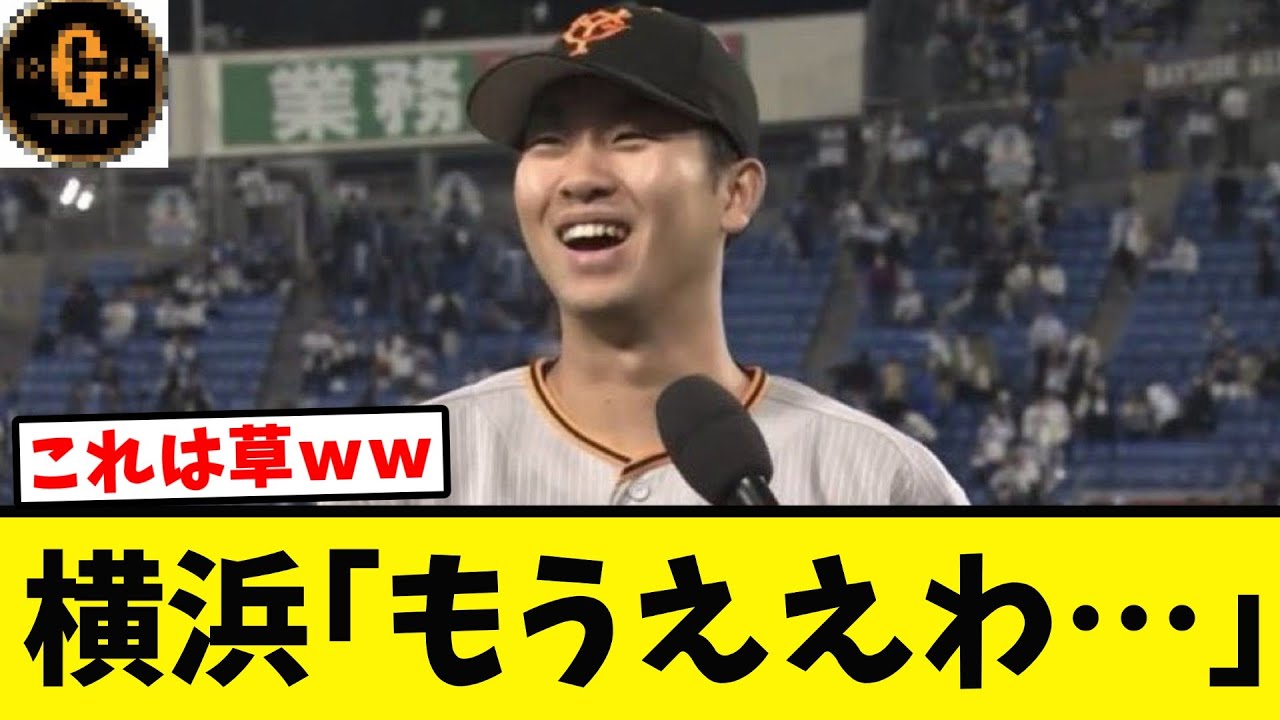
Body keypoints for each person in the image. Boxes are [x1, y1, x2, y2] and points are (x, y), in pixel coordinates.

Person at [350, 6, 967, 505]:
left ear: (735, 193)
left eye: (631, 137)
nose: (579, 178)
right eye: (548, 141)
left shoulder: (880, 480)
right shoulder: (394, 470)